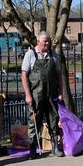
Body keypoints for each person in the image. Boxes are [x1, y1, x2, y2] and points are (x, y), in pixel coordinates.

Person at [21, 31, 64, 159]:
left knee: (53, 120)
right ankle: (33, 148)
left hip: (51, 95)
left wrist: (61, 92)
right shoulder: (30, 54)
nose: (47, 43)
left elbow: (59, 75)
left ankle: (55, 147)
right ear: (38, 41)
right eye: (45, 41)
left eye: (48, 41)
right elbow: (24, 75)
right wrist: (28, 95)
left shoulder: (53, 56)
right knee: (34, 122)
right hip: (35, 95)